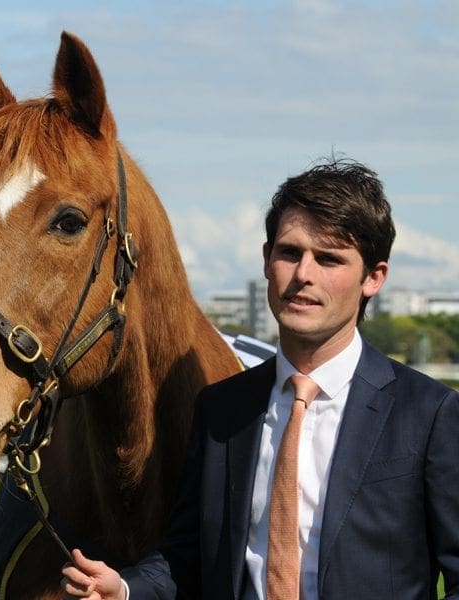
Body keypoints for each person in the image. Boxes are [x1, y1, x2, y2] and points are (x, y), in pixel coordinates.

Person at [61, 157, 459, 599]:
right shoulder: (221, 410)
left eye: (329, 259)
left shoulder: (428, 413)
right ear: (267, 260)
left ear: (373, 278)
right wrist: (125, 588)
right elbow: (185, 556)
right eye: (290, 252)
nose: (303, 275)